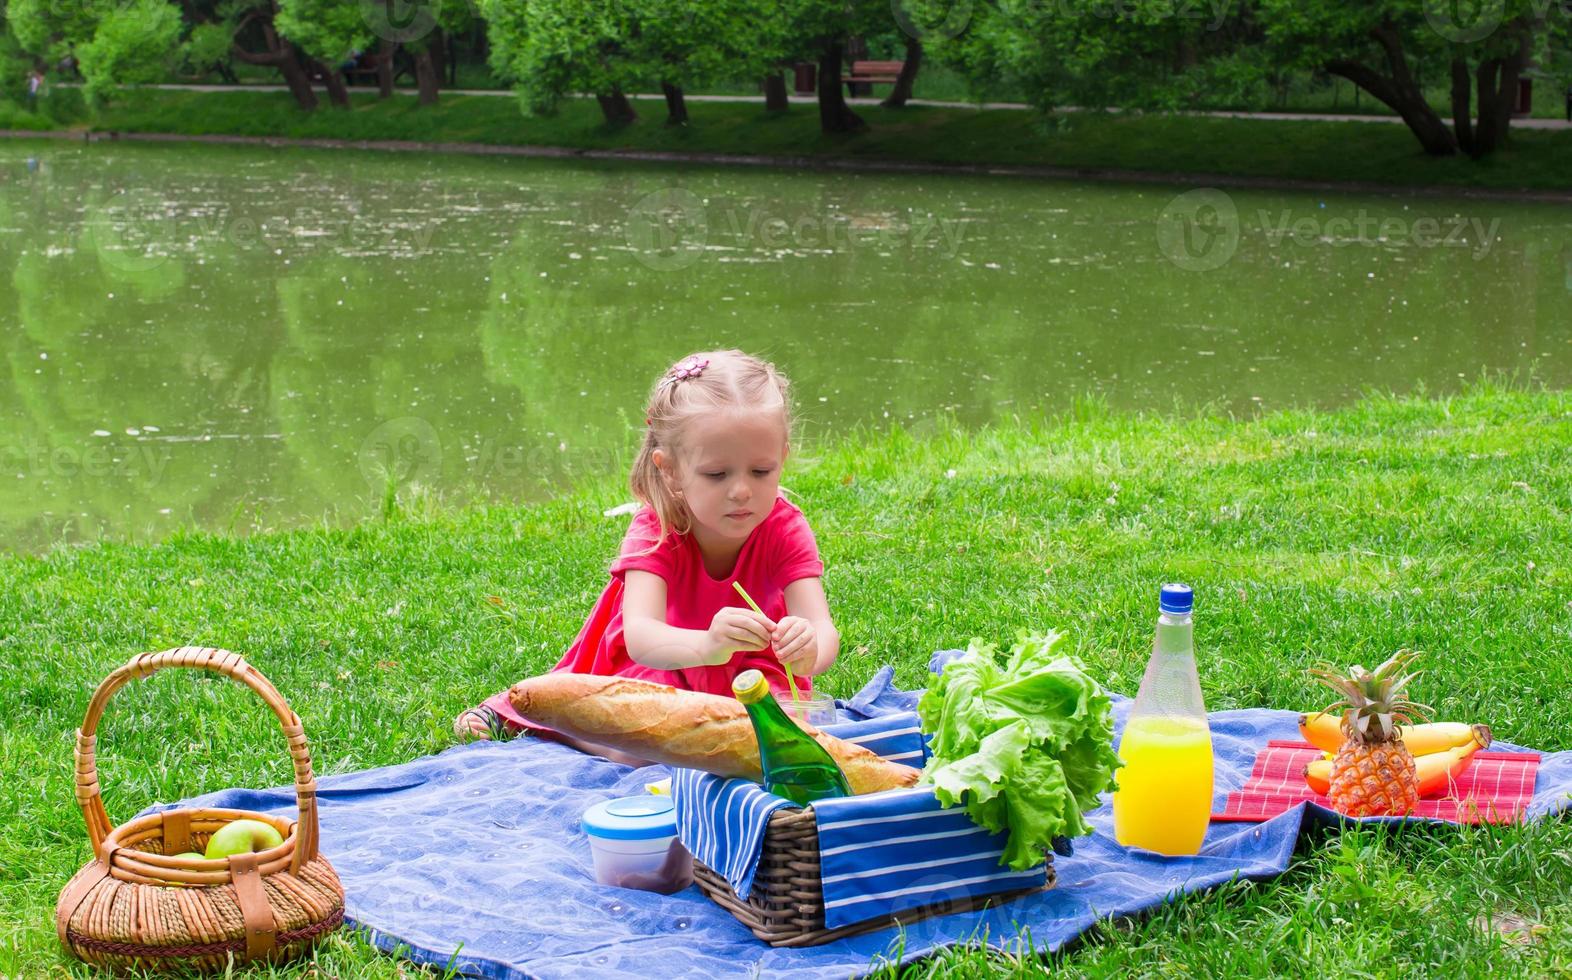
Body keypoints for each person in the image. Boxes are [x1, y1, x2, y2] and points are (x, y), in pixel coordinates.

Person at [453, 350, 840, 761]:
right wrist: (708, 644)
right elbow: (641, 637)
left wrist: (809, 648)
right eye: (716, 474)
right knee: (647, 746)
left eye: (760, 471)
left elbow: (822, 628)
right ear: (669, 469)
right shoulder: (658, 529)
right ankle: (559, 723)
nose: (742, 490)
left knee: (784, 741)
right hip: (663, 665)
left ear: (782, 457)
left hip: (751, 675)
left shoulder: (784, 528)